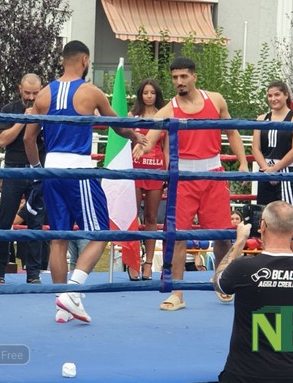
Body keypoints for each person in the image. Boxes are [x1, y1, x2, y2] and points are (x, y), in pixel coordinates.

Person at [24, 40, 146, 323]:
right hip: (78, 170)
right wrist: (135, 136)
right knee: (101, 232)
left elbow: (30, 138)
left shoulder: (43, 94)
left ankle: (61, 306)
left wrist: (36, 169)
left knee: (58, 238)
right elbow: (117, 124)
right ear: (84, 61)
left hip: (51, 171)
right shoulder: (90, 92)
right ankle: (74, 289)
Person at [133, 56, 248, 310]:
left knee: (221, 237)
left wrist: (242, 162)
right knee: (178, 237)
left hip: (214, 177)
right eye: (174, 78)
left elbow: (232, 131)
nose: (179, 82)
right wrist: (142, 144)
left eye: (183, 76)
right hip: (183, 179)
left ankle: (222, 281)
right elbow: (151, 136)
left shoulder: (215, 100)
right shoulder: (169, 108)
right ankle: (178, 293)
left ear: (194, 76)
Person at [214, 201, 293, 383]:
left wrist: (239, 242)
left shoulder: (244, 267)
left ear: (262, 226)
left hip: (243, 374)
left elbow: (219, 282)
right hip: (292, 374)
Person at [0, 73, 46, 284]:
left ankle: (33, 274)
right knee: (5, 221)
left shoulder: (47, 110)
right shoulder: (9, 110)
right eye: (27, 93)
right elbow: (2, 141)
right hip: (13, 170)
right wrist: (23, 121)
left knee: (36, 223)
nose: (31, 97)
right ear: (19, 89)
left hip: (37, 171)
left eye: (35, 93)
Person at [252, 80, 293, 254]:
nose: (273, 98)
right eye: (269, 95)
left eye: (277, 94)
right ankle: (268, 257)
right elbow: (255, 148)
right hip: (265, 172)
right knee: (265, 218)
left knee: (288, 217)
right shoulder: (261, 118)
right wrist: (267, 170)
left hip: (286, 172)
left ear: (286, 95)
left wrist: (275, 170)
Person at [127, 78, 168, 281]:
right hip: (135, 171)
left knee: (152, 217)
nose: (149, 96)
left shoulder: (164, 116)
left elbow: (167, 147)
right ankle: (132, 261)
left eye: (152, 92)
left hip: (157, 170)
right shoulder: (132, 116)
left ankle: (149, 263)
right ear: (140, 95)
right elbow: (124, 143)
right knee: (133, 216)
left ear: (157, 94)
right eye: (145, 92)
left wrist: (168, 172)